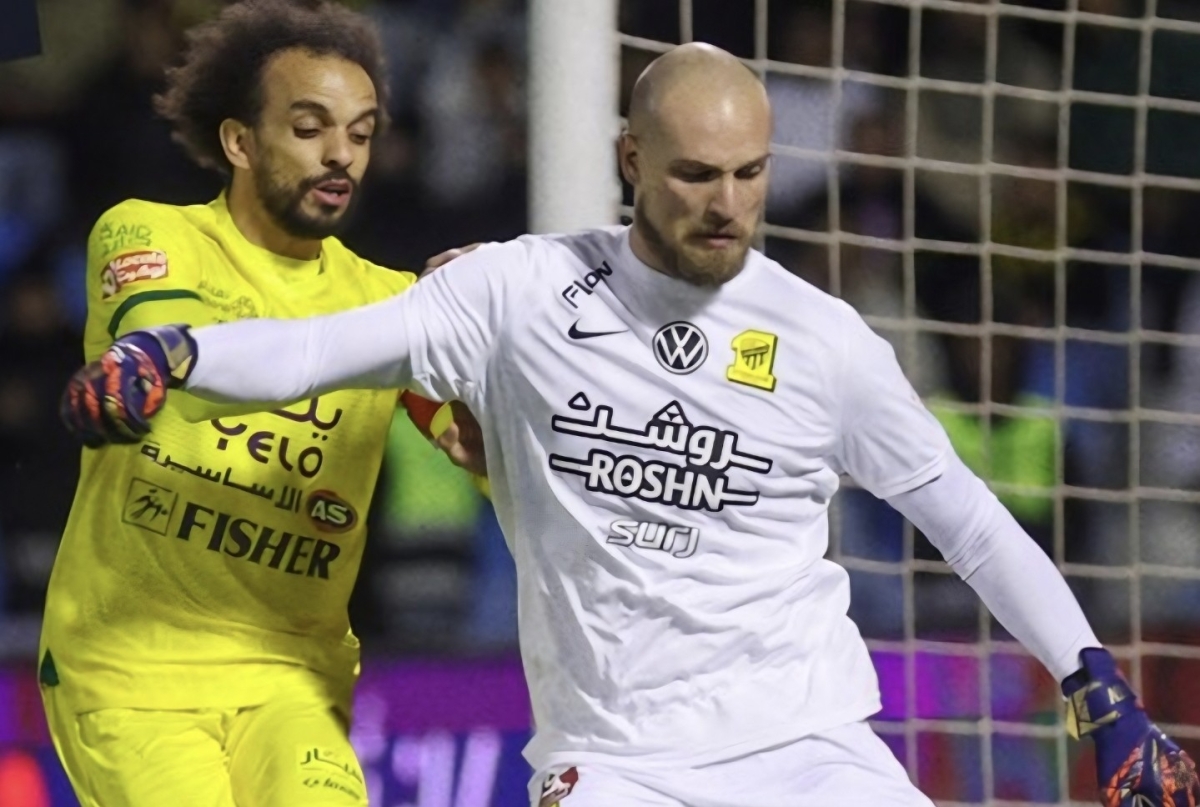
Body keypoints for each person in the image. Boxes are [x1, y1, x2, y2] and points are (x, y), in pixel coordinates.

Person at [62, 43, 1198, 807]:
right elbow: (317, 348)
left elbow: (971, 522)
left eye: (750, 175)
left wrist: (1093, 681)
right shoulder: (515, 291)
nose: (727, 206)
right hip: (616, 764)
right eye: (697, 174)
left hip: (809, 745)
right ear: (630, 160)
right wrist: (173, 355)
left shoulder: (826, 340)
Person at [43, 2, 476, 804]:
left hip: (290, 677)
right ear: (239, 142)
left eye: (361, 133)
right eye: (310, 128)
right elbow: (165, 339)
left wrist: (500, 352)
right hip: (132, 668)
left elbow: (480, 441)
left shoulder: (391, 303)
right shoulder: (146, 233)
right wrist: (142, 372)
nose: (341, 154)